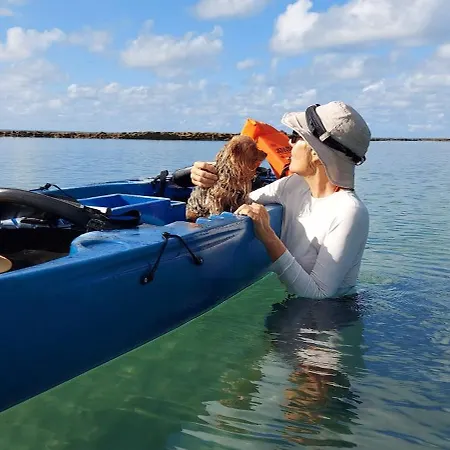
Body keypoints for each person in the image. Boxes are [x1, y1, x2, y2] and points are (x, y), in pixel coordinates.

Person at [189, 101, 371, 300]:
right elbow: (240, 198)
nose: (289, 143)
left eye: (295, 137)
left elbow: (319, 294)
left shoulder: (349, 211)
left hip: (331, 313)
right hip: (290, 304)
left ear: (316, 153)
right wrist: (204, 175)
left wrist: (268, 236)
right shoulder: (292, 185)